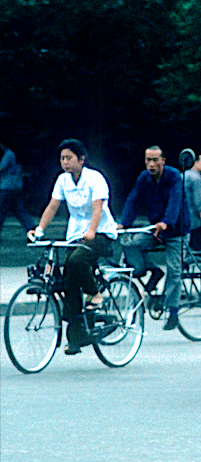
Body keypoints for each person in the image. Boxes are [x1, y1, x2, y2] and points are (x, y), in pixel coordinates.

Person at [28, 139, 118, 355]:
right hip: (75, 235)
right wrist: (39, 231)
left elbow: (98, 209)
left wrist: (92, 232)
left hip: (101, 233)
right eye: (62, 159)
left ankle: (95, 294)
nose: (65, 163)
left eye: (69, 158)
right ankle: (76, 339)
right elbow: (52, 206)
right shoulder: (62, 180)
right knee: (68, 279)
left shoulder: (95, 178)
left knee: (76, 261)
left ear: (81, 159)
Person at [119, 145, 188, 330]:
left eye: (155, 160)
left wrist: (166, 221)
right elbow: (133, 199)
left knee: (175, 270)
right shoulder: (144, 178)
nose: (151, 164)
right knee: (131, 242)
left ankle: (172, 311)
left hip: (175, 230)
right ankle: (151, 270)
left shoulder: (174, 177)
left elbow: (176, 200)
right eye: (148, 160)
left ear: (163, 161)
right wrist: (123, 223)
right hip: (155, 229)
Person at [1, 142, 34, 239]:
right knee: (19, 210)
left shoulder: (8, 154)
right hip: (16, 185)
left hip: (7, 186)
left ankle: (31, 228)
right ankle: (31, 228)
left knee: (2, 210)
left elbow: (1, 168)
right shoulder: (14, 155)